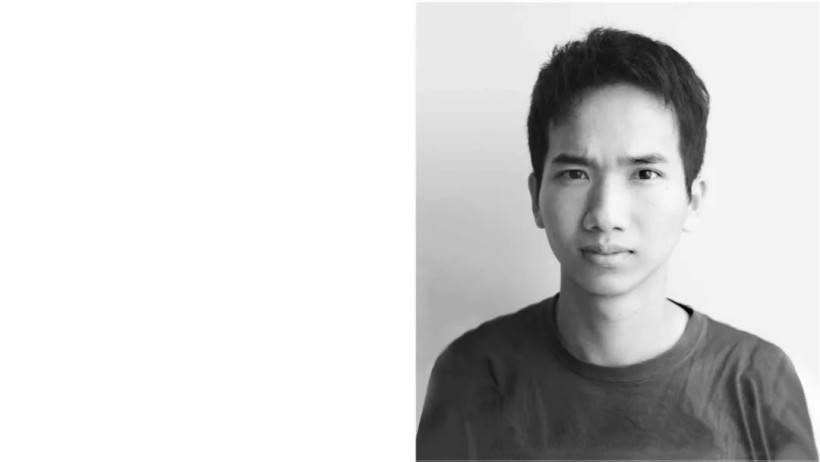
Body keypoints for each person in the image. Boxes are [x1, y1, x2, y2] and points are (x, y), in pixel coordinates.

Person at [416, 27, 818, 460]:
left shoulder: (758, 381)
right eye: (576, 174)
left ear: (693, 201)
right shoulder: (474, 374)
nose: (605, 214)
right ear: (536, 198)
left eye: (644, 174)